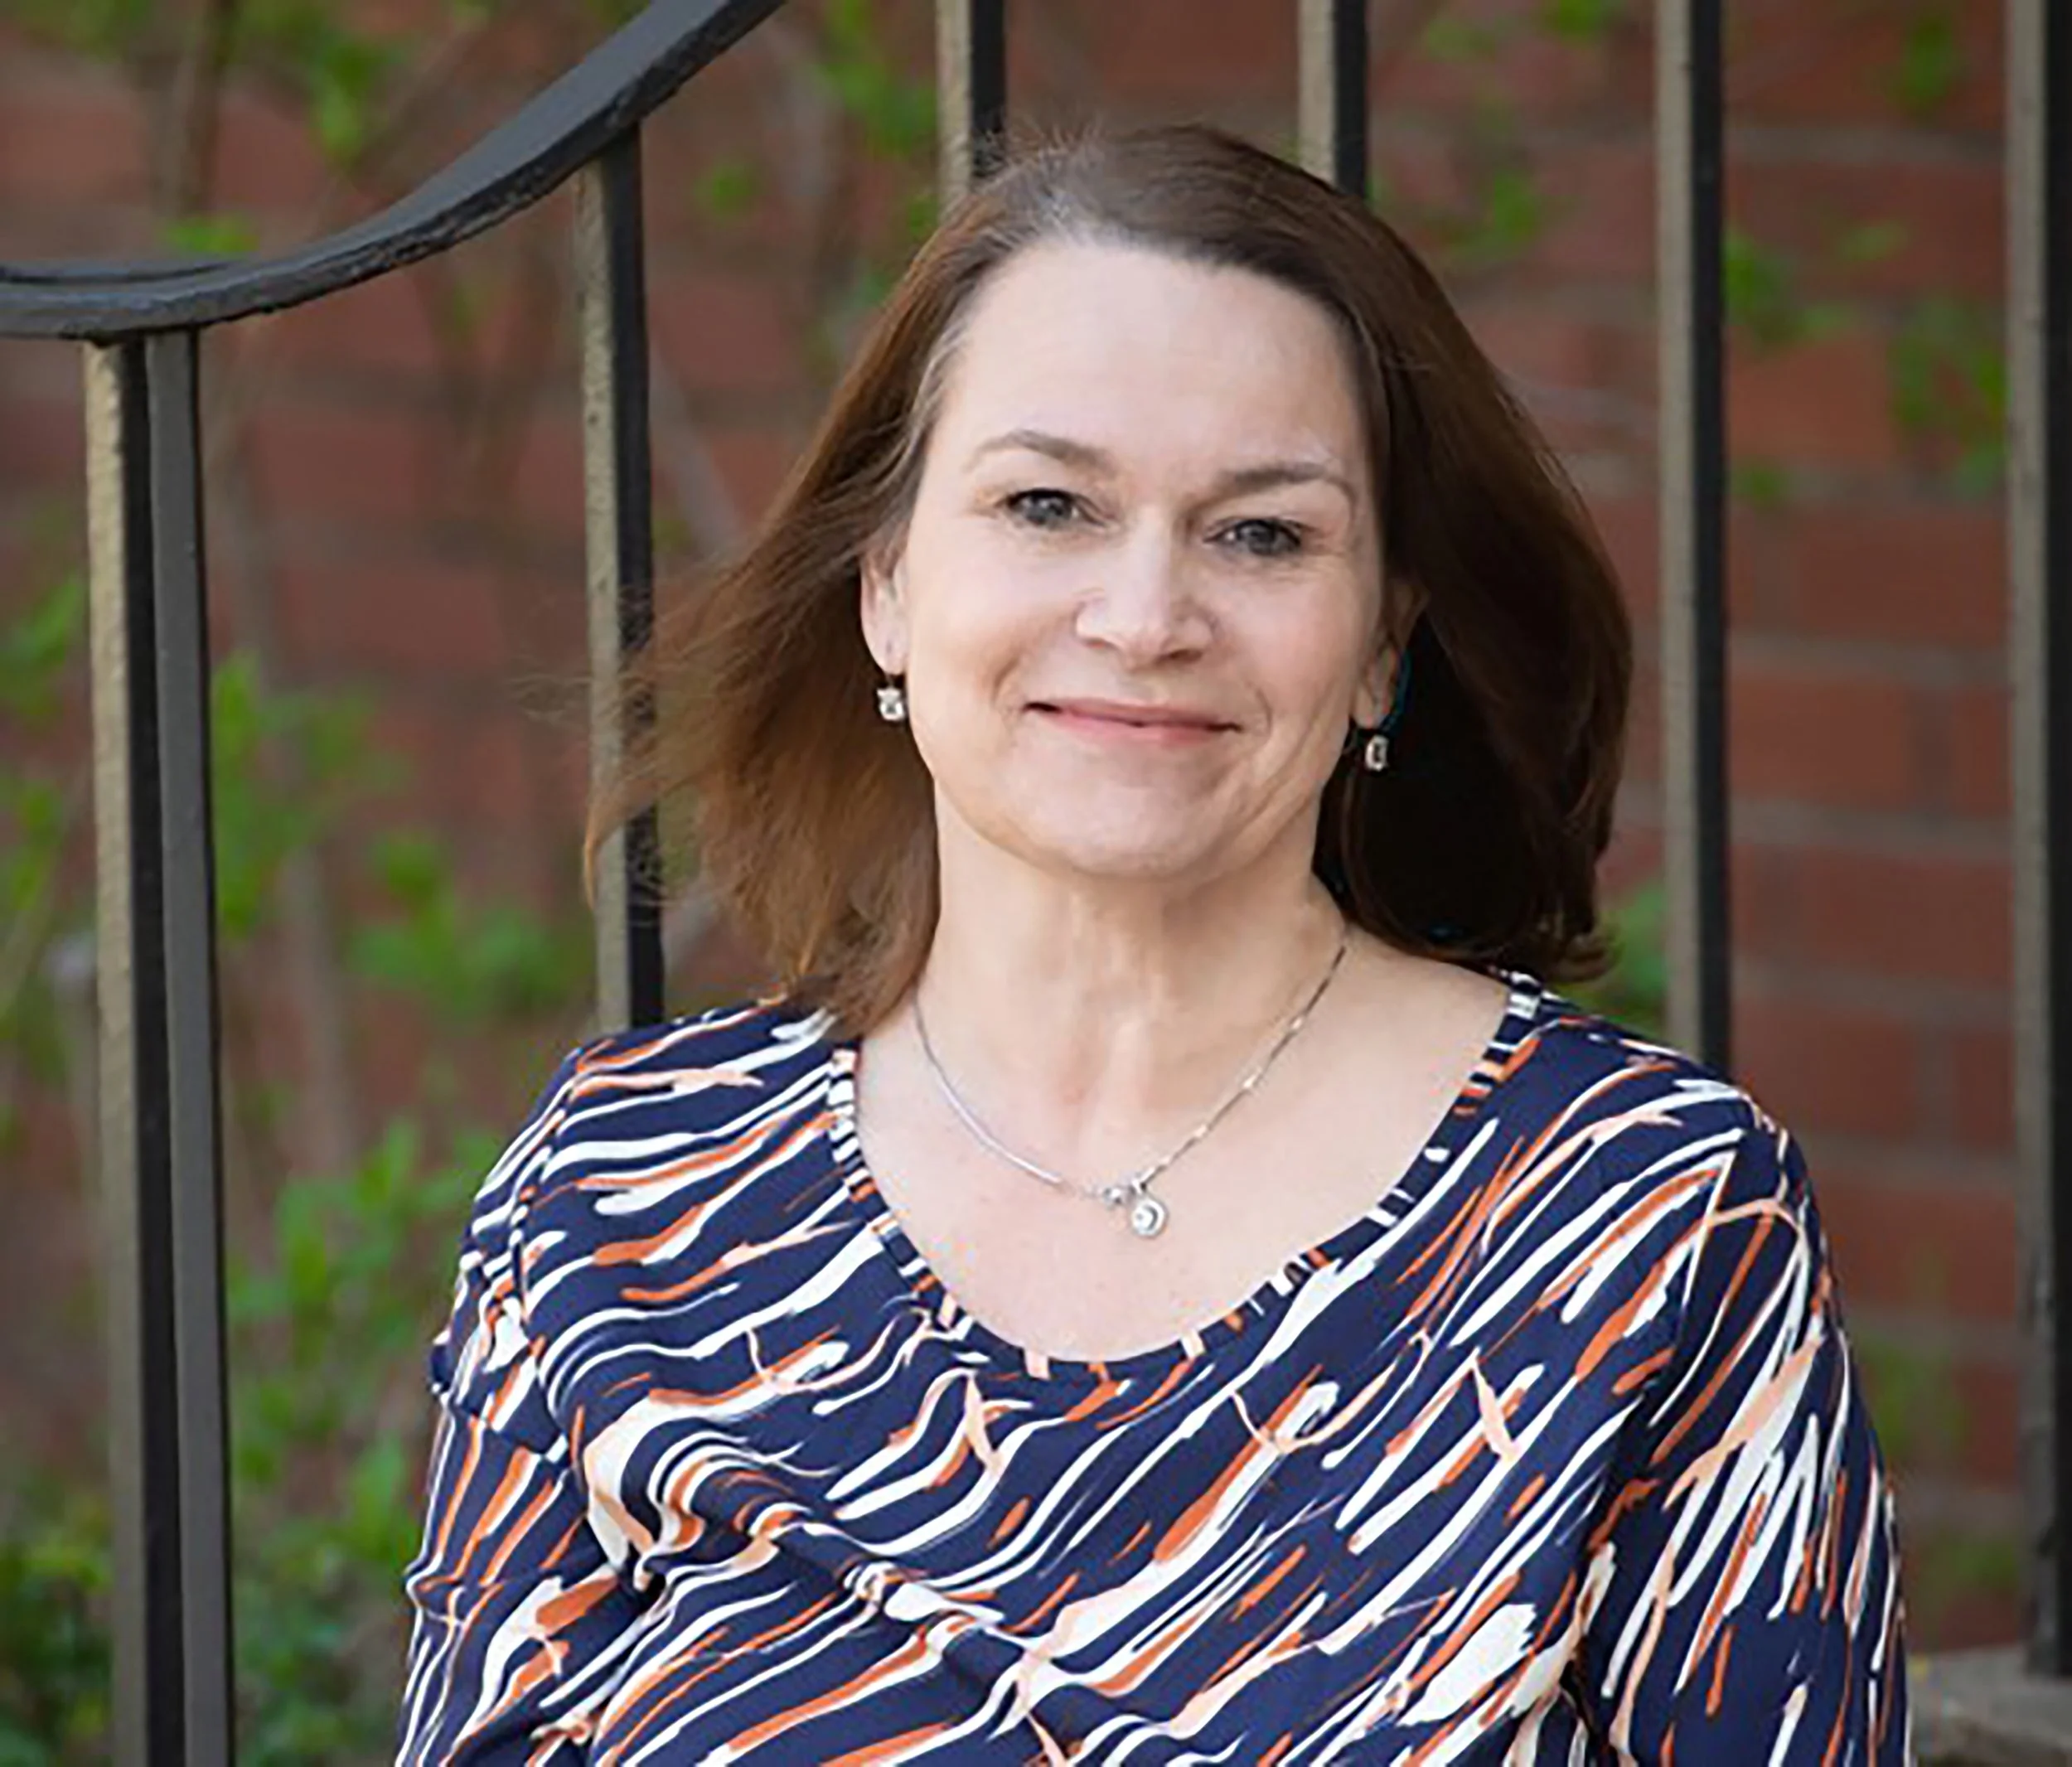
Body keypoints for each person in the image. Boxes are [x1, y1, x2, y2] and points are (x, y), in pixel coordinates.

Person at [396, 124, 1909, 1763]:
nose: (1142, 616)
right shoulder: (622, 1191)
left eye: (1258, 534)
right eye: (1046, 504)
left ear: (1379, 646)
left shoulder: (1650, 1225)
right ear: (888, 585)